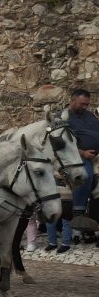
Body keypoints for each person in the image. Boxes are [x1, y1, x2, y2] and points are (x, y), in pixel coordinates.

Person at [55, 89, 99, 253]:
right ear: (72, 100)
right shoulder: (62, 117)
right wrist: (82, 153)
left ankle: (92, 223)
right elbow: (60, 142)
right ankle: (77, 218)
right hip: (77, 156)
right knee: (85, 175)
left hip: (95, 155)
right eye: (83, 104)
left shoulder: (89, 116)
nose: (86, 107)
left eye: (87, 104)